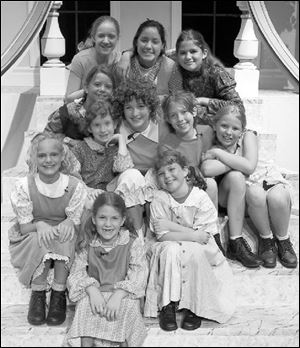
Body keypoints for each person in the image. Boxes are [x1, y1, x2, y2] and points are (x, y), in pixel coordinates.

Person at [144, 150, 235, 331]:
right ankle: (167, 305)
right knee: (170, 250)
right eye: (161, 174)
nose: (167, 176)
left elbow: (205, 237)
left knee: (194, 251)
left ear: (185, 171)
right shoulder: (160, 199)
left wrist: (172, 226)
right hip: (169, 244)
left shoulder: (200, 198)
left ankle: (195, 305)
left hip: (199, 247)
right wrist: (192, 234)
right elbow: (162, 235)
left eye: (171, 169)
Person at [201, 105, 297, 269]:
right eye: (224, 126)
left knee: (277, 197)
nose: (229, 132)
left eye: (235, 128)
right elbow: (207, 169)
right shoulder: (212, 140)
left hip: (266, 179)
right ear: (215, 125)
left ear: (242, 130)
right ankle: (266, 239)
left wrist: (220, 155)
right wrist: (239, 163)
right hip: (242, 194)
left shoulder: (248, 136)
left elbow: (250, 167)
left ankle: (283, 240)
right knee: (252, 191)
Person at [8, 132, 87, 326]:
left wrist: (70, 222)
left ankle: (58, 294)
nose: (48, 160)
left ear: (62, 157)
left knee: (66, 236)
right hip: (33, 231)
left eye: (53, 155)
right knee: (39, 239)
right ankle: (38, 292)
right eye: (42, 155)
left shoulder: (74, 186)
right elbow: (26, 226)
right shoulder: (24, 186)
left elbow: (74, 220)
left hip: (61, 229)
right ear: (35, 158)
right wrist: (39, 224)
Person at [66, 192, 148, 347]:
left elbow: (139, 275)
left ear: (123, 220)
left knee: (128, 306)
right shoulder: (88, 243)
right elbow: (76, 273)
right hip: (96, 292)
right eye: (102, 217)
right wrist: (91, 289)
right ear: (94, 219)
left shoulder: (132, 242)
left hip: (124, 294)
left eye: (114, 218)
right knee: (85, 304)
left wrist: (118, 295)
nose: (108, 224)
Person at [160, 91, 224, 254]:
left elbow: (228, 113)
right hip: (183, 189)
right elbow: (174, 177)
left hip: (206, 188)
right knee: (209, 184)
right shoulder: (168, 144)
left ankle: (213, 235)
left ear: (194, 111)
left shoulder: (207, 132)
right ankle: (201, 235)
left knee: (211, 184)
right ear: (168, 119)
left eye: (184, 112)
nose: (180, 119)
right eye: (174, 115)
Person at [70, 98, 146, 237]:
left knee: (133, 174)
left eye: (107, 124)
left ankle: (137, 236)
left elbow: (124, 168)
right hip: (90, 197)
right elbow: (72, 178)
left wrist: (121, 140)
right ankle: (88, 240)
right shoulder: (80, 148)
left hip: (113, 195)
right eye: (97, 125)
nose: (103, 129)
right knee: (85, 202)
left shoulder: (116, 148)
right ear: (89, 128)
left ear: (115, 124)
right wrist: (88, 190)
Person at [174, 29, 245, 125]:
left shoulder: (216, 73)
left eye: (193, 51)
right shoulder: (174, 73)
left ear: (204, 53)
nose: (188, 57)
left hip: (217, 128)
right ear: (177, 55)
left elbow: (238, 107)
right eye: (182, 53)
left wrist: (203, 101)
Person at [45, 65, 118, 143]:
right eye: (97, 84)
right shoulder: (66, 114)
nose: (102, 89)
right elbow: (45, 140)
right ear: (86, 87)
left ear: (112, 92)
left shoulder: (114, 115)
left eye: (108, 86)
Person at [121, 19, 182, 99]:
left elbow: (178, 99)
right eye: (144, 40)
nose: (148, 46)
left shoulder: (171, 67)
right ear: (136, 42)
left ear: (162, 45)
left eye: (155, 42)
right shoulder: (125, 65)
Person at [65, 15, 121, 103]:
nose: (106, 41)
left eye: (111, 36)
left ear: (117, 39)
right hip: (84, 111)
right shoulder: (81, 59)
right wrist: (91, 89)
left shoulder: (120, 61)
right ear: (93, 37)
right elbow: (68, 99)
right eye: (101, 36)